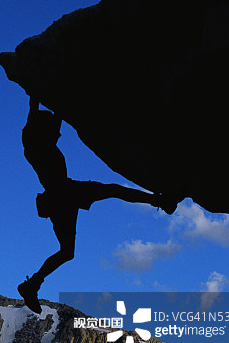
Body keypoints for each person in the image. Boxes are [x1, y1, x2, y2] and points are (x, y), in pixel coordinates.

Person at [19, 100, 178, 313]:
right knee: (111, 191)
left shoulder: (38, 145)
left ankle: (33, 284)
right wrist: (35, 100)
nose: (58, 136)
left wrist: (40, 97)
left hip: (62, 195)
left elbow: (54, 116)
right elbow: (37, 117)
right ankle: (159, 201)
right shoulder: (34, 147)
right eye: (54, 132)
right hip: (63, 193)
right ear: (43, 131)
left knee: (68, 251)